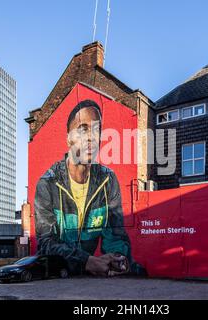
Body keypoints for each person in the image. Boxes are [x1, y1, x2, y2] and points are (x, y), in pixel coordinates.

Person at [35, 99, 145, 277]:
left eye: (96, 130)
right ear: (68, 139)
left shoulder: (107, 180)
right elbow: (45, 243)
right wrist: (87, 261)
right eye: (83, 129)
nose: (90, 138)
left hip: (90, 282)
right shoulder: (48, 184)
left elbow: (115, 236)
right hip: (54, 279)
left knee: (139, 272)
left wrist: (118, 259)